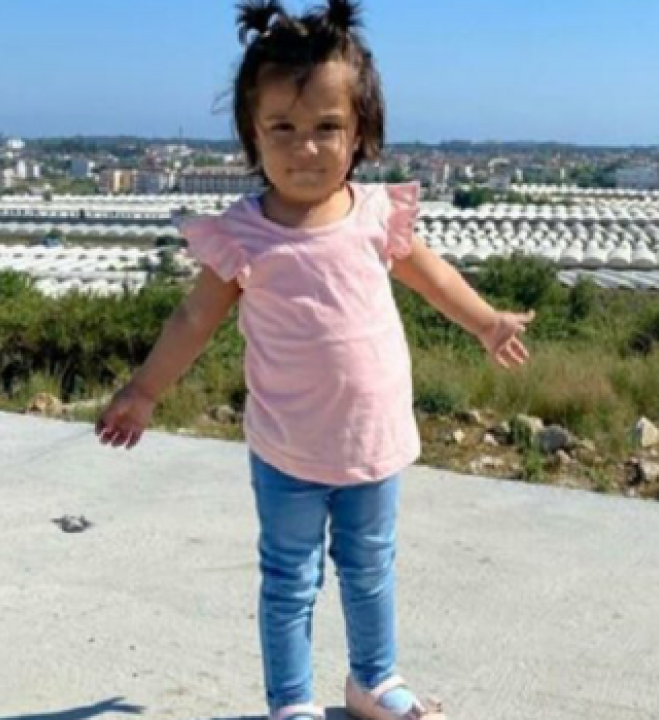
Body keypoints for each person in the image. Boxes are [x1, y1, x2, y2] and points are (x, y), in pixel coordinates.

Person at [96, 1, 534, 717]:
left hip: (372, 440)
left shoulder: (376, 215)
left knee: (370, 567)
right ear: (252, 134)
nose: (306, 148)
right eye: (283, 129)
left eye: (327, 126)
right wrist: (144, 391)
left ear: (362, 131)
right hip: (288, 449)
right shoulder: (244, 233)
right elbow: (193, 319)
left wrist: (487, 323)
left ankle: (374, 681)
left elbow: (433, 278)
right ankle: (292, 702)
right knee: (290, 579)